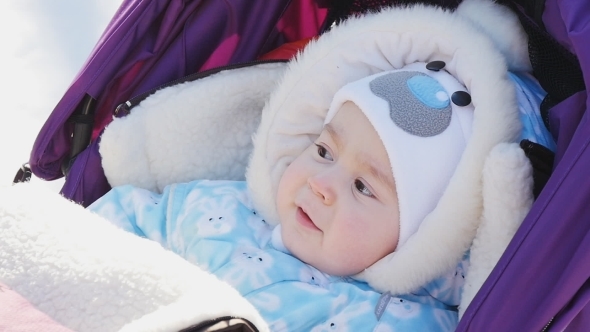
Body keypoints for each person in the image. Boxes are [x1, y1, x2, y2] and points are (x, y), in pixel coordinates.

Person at [89, 62, 548, 331]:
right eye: (325, 150)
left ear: (432, 241)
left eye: (364, 187)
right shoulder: (224, 211)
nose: (321, 183)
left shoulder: (404, 322)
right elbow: (118, 224)